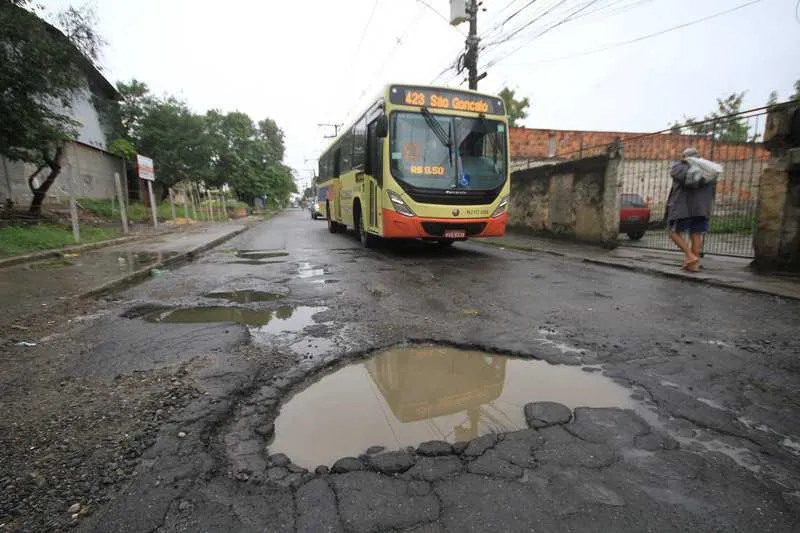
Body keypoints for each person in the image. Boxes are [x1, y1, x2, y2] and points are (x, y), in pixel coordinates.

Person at [666, 147, 716, 272]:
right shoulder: (708, 169)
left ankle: (690, 256)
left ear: (685, 157)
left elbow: (675, 175)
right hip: (702, 208)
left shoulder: (679, 167)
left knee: (673, 232)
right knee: (696, 234)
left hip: (683, 207)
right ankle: (693, 265)